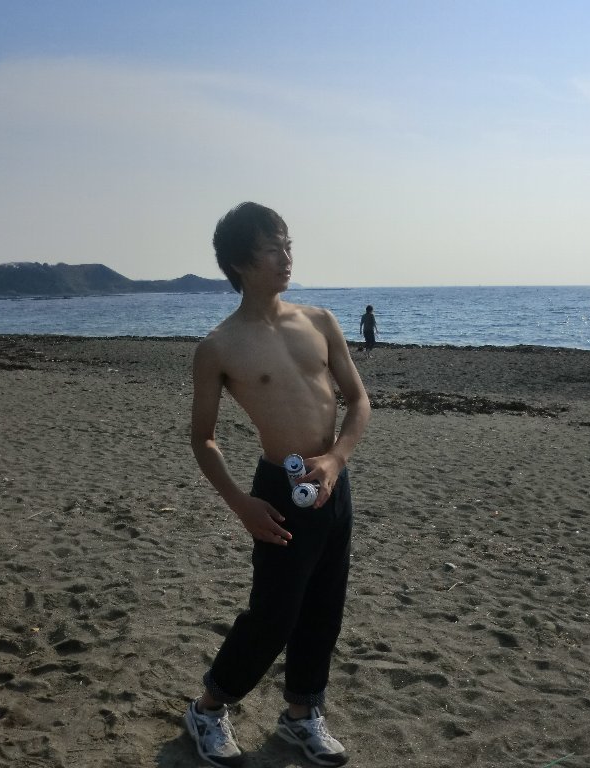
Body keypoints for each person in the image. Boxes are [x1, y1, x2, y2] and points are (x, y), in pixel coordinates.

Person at [184, 202, 371, 768]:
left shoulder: (320, 321)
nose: (286, 257)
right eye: (273, 248)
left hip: (332, 482)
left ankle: (300, 714)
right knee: (272, 615)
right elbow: (203, 438)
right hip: (278, 488)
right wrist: (241, 504)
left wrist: (336, 460)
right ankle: (208, 709)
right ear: (242, 262)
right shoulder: (219, 346)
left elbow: (359, 401)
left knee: (324, 608)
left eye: (288, 245)